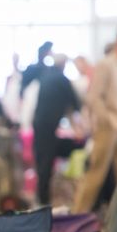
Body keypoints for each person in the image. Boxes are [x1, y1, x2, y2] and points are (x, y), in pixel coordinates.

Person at [73, 25, 117, 213]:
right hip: (110, 125)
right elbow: (94, 96)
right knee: (97, 172)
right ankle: (78, 214)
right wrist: (107, 120)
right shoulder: (106, 64)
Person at [33, 54, 81, 205]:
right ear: (64, 64)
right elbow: (75, 105)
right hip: (48, 126)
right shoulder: (62, 79)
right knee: (46, 162)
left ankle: (42, 197)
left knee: (42, 162)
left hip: (39, 124)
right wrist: (78, 128)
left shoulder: (45, 77)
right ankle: (43, 200)